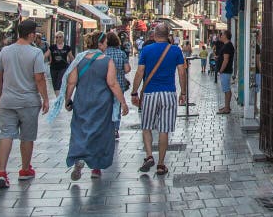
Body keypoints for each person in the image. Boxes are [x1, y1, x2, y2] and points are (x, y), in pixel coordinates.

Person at [0, 19, 49, 189]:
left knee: (6, 134)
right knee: (27, 136)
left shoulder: (5, 51)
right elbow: (39, 78)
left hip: (7, 100)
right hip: (29, 101)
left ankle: (1, 171)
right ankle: (25, 169)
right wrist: (45, 98)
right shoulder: (36, 53)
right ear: (31, 34)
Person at [65, 32, 129, 180]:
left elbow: (71, 82)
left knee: (79, 130)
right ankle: (96, 167)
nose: (106, 45)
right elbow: (112, 84)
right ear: (99, 44)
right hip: (102, 102)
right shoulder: (107, 61)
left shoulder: (79, 60)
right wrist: (122, 102)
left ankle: (79, 157)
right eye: (105, 43)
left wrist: (68, 99)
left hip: (82, 101)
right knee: (100, 132)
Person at [130, 23, 186, 176]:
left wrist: (134, 92)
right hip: (168, 93)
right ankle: (161, 164)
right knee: (164, 129)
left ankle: (149, 155)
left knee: (146, 126)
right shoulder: (175, 50)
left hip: (149, 93)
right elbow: (182, 72)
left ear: (154, 35)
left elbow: (140, 72)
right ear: (169, 36)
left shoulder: (146, 50)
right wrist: (184, 93)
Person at [104, 31, 130, 140]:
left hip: (105, 85)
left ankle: (107, 128)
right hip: (119, 85)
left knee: (106, 106)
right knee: (117, 106)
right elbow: (127, 69)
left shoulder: (103, 54)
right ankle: (115, 129)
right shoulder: (121, 54)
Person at [48, 32, 73, 97]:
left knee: (59, 82)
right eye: (57, 37)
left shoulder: (67, 47)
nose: (58, 38)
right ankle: (58, 97)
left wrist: (76, 65)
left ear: (63, 38)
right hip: (53, 68)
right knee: (54, 84)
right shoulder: (52, 47)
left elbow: (71, 58)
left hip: (63, 68)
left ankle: (58, 99)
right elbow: (46, 55)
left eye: (60, 37)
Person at [217, 30, 235, 114]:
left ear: (225, 36)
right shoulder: (227, 45)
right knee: (226, 89)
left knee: (226, 89)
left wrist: (221, 70)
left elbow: (226, 60)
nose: (221, 36)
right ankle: (227, 106)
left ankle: (227, 108)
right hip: (226, 71)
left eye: (222, 34)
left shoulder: (228, 46)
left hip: (225, 71)